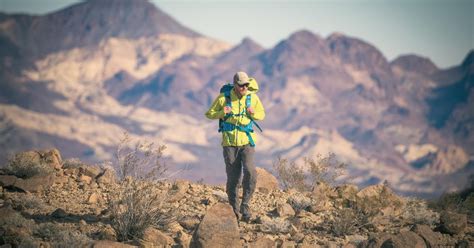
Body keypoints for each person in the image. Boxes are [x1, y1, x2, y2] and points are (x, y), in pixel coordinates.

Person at [205, 71, 266, 222]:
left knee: (251, 172)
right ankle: (234, 210)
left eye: (246, 84)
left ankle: (245, 206)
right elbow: (209, 113)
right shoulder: (224, 98)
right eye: (241, 85)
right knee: (233, 179)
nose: (245, 87)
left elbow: (262, 114)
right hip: (229, 143)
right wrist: (222, 112)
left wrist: (253, 113)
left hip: (246, 142)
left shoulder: (252, 98)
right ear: (235, 85)